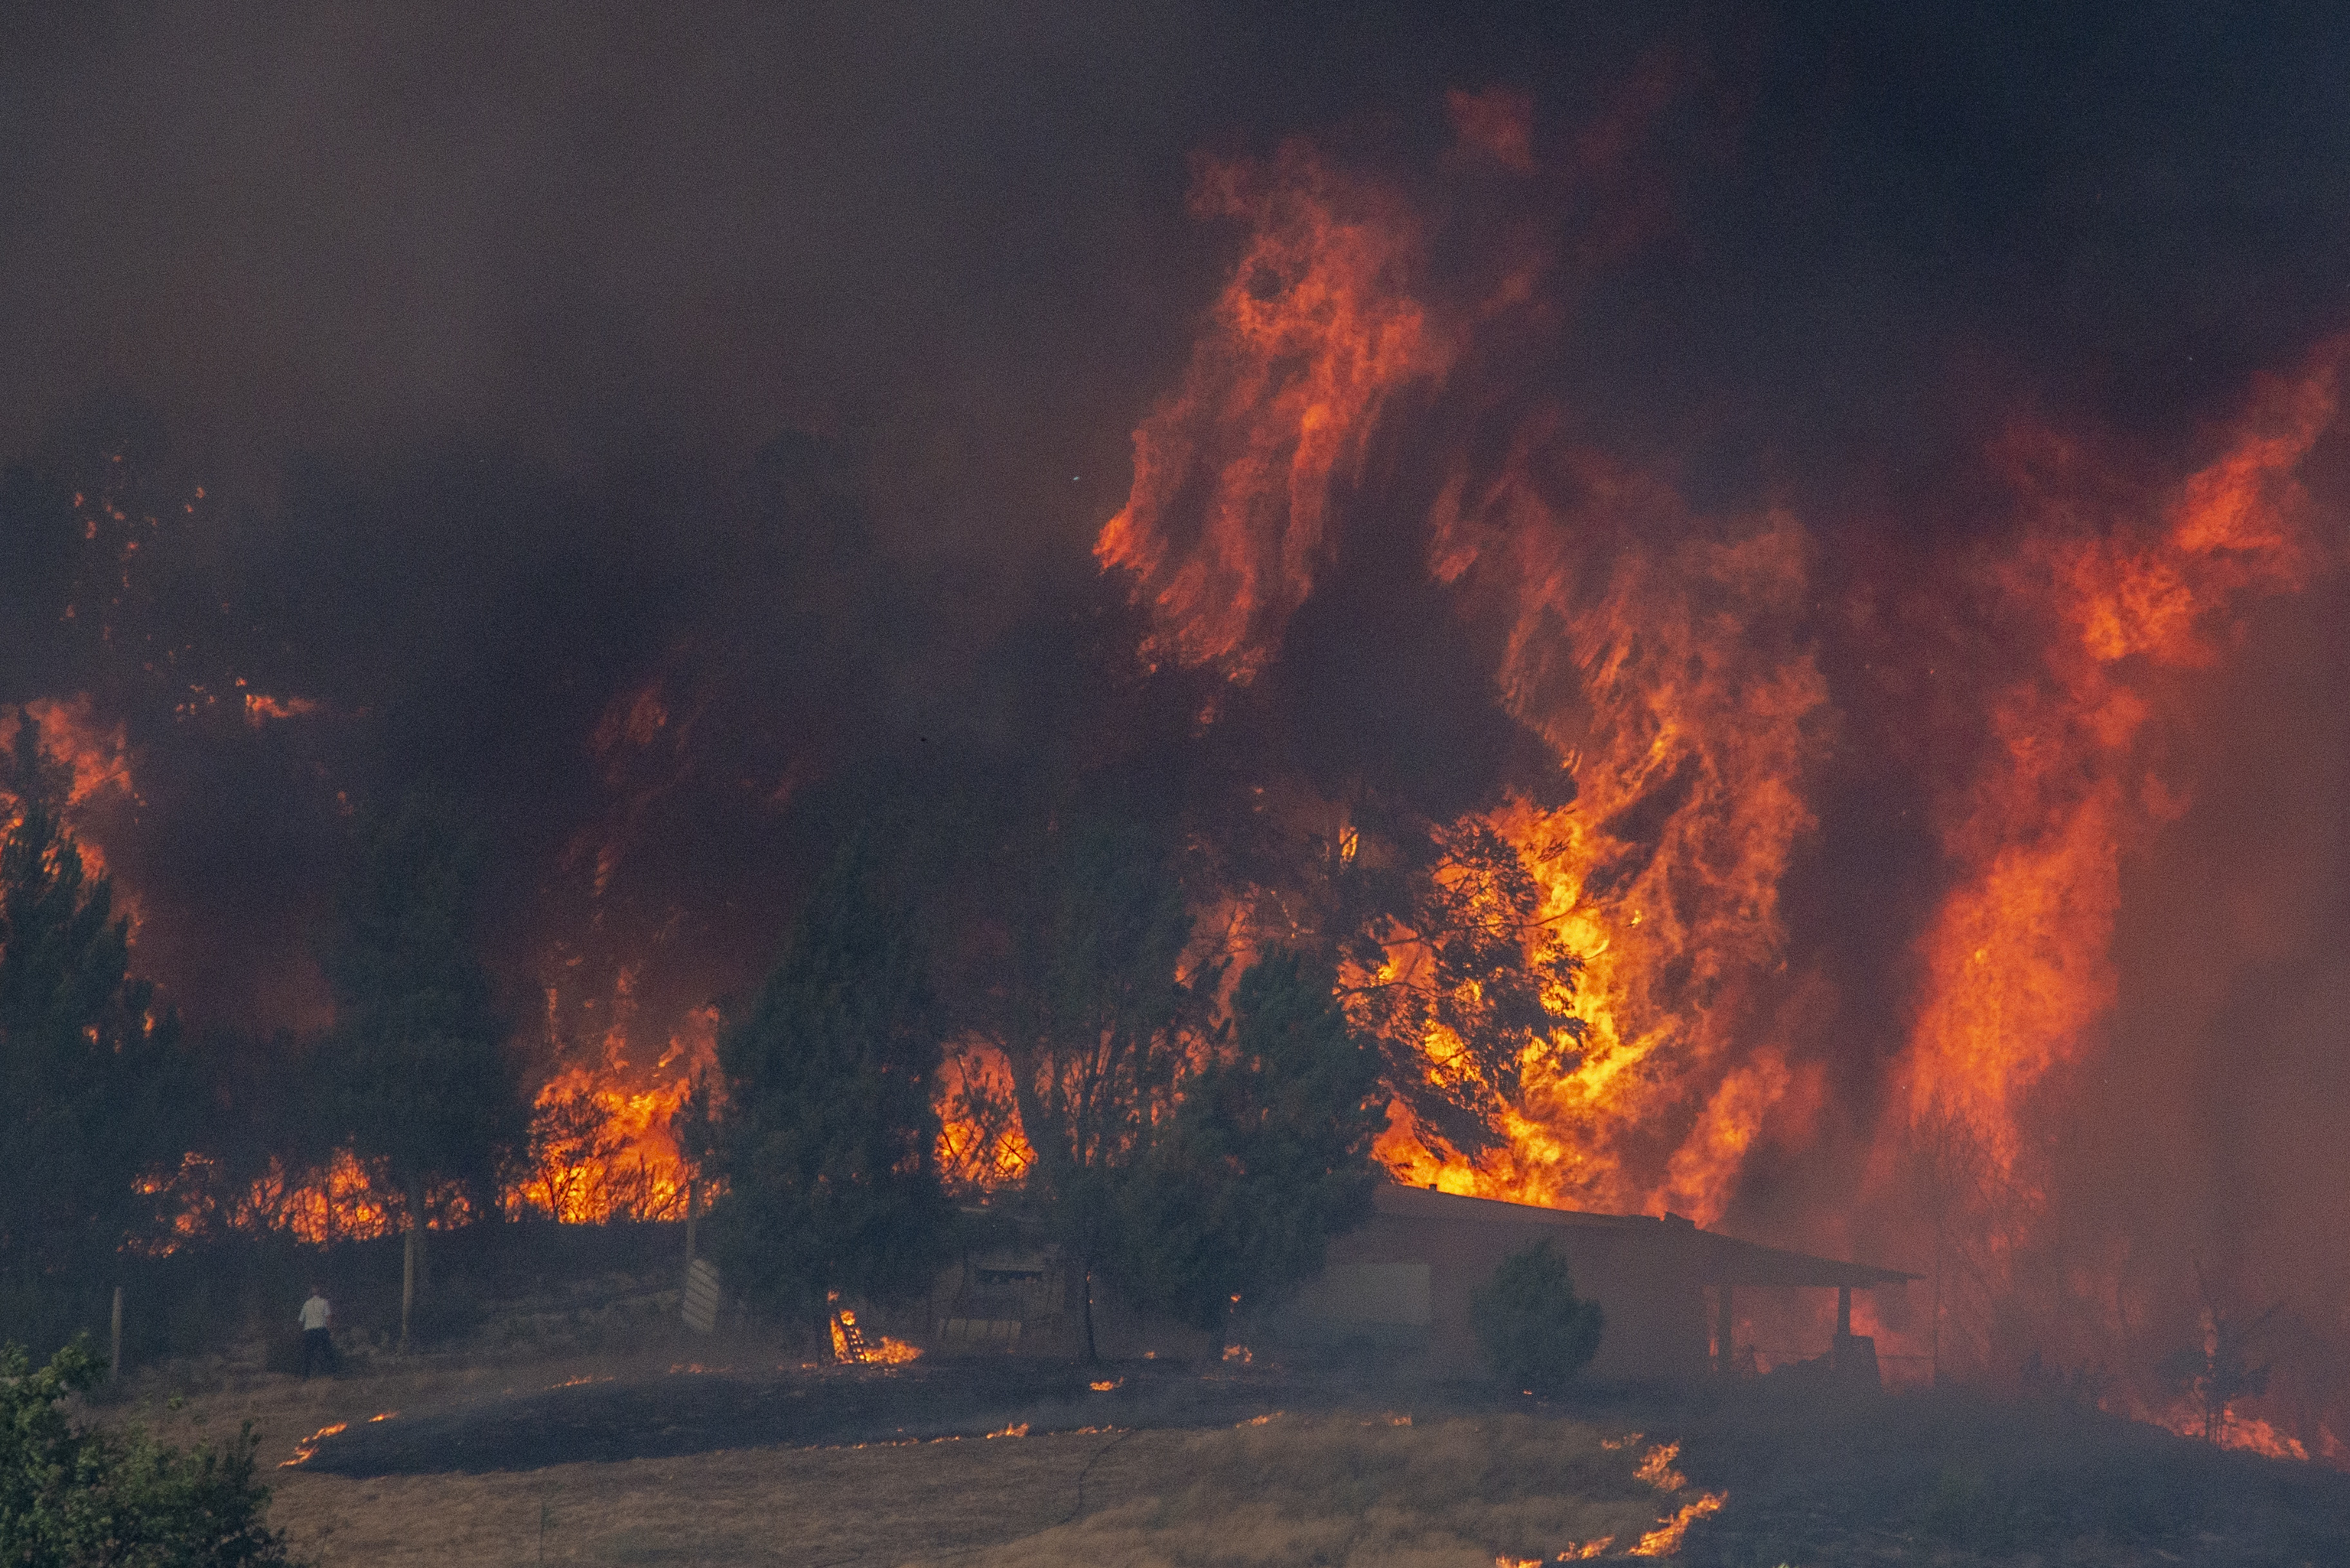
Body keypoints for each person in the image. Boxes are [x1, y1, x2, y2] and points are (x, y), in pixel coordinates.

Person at [299, 1284, 337, 1378]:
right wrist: (330, 1329)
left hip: (309, 1331)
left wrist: (301, 1332)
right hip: (321, 1329)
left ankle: (305, 1376)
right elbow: (329, 1317)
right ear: (320, 1292)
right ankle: (334, 1373)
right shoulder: (324, 1302)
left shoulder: (306, 1304)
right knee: (328, 1352)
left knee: (308, 1354)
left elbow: (300, 1319)